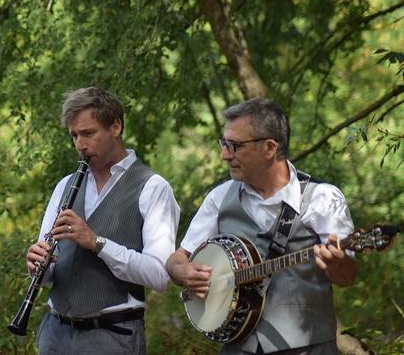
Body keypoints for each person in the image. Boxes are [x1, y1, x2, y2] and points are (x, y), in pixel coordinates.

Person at [166, 97, 357, 355]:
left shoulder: (323, 198)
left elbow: (347, 277)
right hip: (237, 344)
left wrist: (338, 263)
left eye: (235, 146)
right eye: (224, 143)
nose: (224, 155)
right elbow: (178, 258)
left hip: (308, 347)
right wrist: (181, 271)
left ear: (269, 147)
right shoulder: (220, 197)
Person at [26, 87, 180, 355]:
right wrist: (39, 265)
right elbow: (49, 272)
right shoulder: (66, 186)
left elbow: (160, 276)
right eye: (74, 135)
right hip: (54, 332)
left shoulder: (152, 187)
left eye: (88, 133)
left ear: (116, 127)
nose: (80, 144)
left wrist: (97, 243)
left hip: (112, 336)